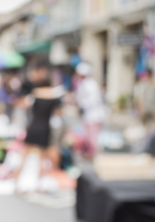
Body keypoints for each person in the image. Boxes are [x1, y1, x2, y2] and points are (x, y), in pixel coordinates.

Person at [15, 60, 64, 191]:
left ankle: (16, 179)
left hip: (33, 126)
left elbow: (23, 105)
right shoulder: (55, 96)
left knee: (24, 154)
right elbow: (59, 113)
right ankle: (40, 184)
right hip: (45, 127)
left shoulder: (35, 95)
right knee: (43, 157)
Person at [76, 62, 105, 159]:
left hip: (93, 114)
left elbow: (93, 100)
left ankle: (93, 154)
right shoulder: (84, 83)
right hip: (88, 114)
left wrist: (81, 103)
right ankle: (89, 153)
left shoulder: (91, 84)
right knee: (88, 135)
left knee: (93, 137)